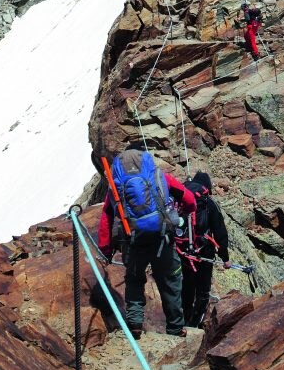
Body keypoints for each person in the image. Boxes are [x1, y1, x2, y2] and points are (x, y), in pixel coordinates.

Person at [98, 144, 196, 339]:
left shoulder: (116, 184)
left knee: (134, 280)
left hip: (132, 239)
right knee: (171, 280)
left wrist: (106, 248)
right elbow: (190, 199)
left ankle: (135, 325)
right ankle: (176, 328)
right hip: (162, 237)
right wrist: (183, 213)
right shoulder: (158, 176)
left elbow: (107, 216)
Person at [177, 171, 230, 328]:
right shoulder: (207, 202)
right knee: (203, 290)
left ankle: (184, 320)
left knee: (187, 286)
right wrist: (225, 258)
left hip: (184, 250)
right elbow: (220, 232)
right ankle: (195, 323)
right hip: (204, 251)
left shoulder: (182, 199)